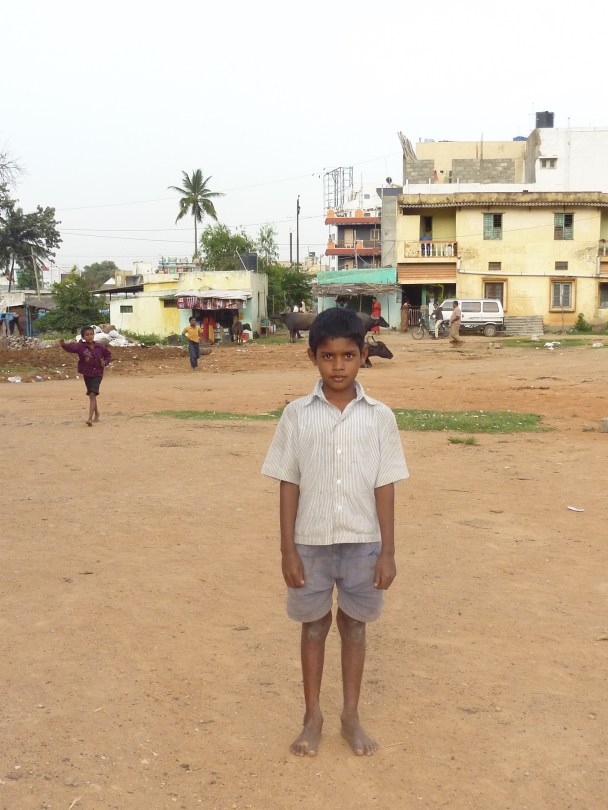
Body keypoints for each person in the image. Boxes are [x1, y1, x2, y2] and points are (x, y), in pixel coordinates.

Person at [261, 308, 409, 757]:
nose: (338, 366)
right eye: (328, 356)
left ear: (363, 355)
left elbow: (386, 485)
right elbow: (289, 483)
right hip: (310, 543)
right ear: (312, 358)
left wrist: (388, 552)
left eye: (348, 355)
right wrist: (287, 550)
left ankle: (350, 715)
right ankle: (313, 716)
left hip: (364, 542)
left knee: (355, 628)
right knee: (313, 627)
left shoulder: (380, 417)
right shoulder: (296, 415)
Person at [60, 326, 112, 426]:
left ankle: (89, 418)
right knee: (92, 395)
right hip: (87, 373)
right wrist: (63, 345)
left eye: (91, 334)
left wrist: (105, 362)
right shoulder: (80, 346)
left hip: (98, 373)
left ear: (94, 335)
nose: (89, 336)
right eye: (87, 335)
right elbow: (71, 348)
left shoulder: (99, 346)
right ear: (83, 337)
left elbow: (108, 355)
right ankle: (97, 413)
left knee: (92, 394)